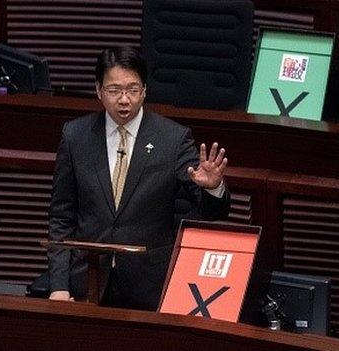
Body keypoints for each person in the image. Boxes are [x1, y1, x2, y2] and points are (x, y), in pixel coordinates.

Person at [47, 46, 229, 311]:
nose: (124, 100)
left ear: (145, 90)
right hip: (88, 282)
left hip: (150, 286)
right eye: (114, 90)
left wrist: (213, 188)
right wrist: (59, 286)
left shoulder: (173, 139)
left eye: (133, 90)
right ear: (98, 91)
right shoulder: (76, 136)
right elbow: (61, 217)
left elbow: (210, 211)